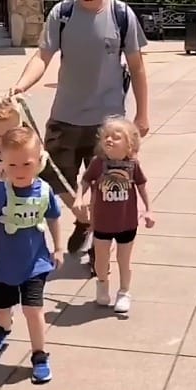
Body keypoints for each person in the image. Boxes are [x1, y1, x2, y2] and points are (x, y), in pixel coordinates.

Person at [12, 0, 150, 265]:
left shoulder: (121, 15)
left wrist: (142, 114)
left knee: (107, 185)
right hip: (65, 116)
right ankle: (85, 219)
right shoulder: (62, 13)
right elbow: (43, 56)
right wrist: (22, 84)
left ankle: (98, 248)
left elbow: (137, 67)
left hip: (108, 123)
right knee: (52, 175)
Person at [0, 126, 63, 384]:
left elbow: (54, 218)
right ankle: (3, 328)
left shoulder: (44, 191)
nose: (19, 170)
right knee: (1, 309)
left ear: (39, 161)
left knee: (33, 310)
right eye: (12, 165)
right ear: (3, 163)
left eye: (26, 164)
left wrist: (58, 248)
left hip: (35, 263)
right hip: (3, 266)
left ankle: (39, 355)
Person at [73, 117, 154, 313]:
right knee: (101, 260)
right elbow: (85, 181)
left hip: (127, 222)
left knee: (124, 260)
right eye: (106, 136)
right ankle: (102, 285)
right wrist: (79, 198)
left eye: (116, 137)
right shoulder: (98, 163)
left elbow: (142, 186)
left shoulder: (133, 165)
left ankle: (124, 292)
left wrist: (149, 210)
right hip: (102, 222)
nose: (109, 140)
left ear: (129, 144)